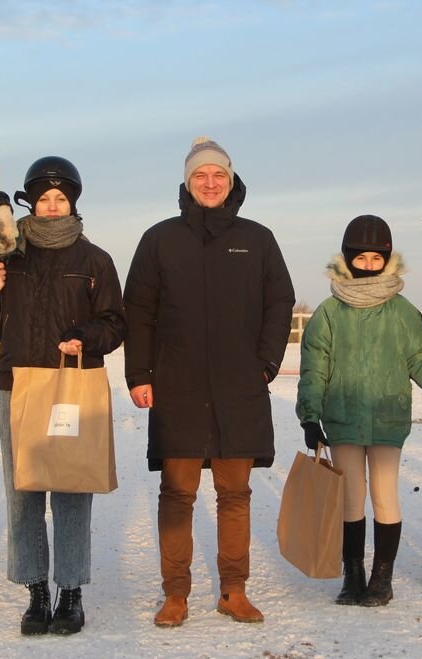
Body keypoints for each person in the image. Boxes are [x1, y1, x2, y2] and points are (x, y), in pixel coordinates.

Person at [124, 136, 295, 627]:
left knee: (234, 494)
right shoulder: (160, 239)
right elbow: (138, 310)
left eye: (218, 174)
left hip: (238, 387)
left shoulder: (257, 239)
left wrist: (264, 362)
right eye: (201, 175)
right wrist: (140, 373)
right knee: (177, 494)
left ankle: (233, 591)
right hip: (176, 388)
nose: (210, 182)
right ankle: (175, 593)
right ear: (187, 181)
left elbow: (279, 302)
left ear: (231, 179)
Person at [0, 156, 126, 636]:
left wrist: (86, 336)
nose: (53, 207)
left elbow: (115, 323)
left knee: (72, 489)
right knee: (23, 491)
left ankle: (71, 593)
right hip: (17, 386)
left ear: (73, 203)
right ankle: (36, 592)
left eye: (61, 199)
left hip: (71, 390)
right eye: (44, 199)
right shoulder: (9, 257)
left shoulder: (95, 260)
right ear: (31, 203)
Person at [295, 215, 422, 607]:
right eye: (362, 257)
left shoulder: (403, 312)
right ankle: (353, 576)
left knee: (385, 496)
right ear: (348, 258)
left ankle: (382, 578)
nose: (369, 264)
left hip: (388, 418)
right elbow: (314, 367)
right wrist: (310, 415)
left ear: (387, 260)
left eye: (377, 258)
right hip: (342, 420)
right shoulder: (328, 313)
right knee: (351, 499)